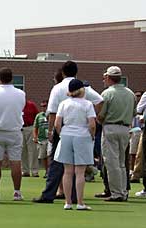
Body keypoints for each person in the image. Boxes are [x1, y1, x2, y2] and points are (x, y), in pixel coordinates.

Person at [32, 61, 103, 204]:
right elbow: (100, 100)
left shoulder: (57, 88)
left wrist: (51, 131)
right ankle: (76, 196)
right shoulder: (83, 88)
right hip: (82, 130)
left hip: (64, 129)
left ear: (63, 73)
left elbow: (52, 112)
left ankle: (50, 194)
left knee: (57, 163)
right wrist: (94, 117)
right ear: (76, 72)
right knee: (79, 166)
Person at [54, 79, 96, 210]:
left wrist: (61, 134)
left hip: (66, 135)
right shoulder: (87, 104)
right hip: (82, 136)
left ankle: (68, 202)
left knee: (67, 171)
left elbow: (57, 123)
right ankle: (80, 202)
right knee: (80, 172)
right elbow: (92, 124)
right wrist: (92, 136)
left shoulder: (63, 103)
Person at [97, 66, 135, 202]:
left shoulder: (106, 94)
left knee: (111, 162)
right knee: (121, 163)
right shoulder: (130, 93)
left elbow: (101, 115)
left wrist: (98, 120)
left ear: (108, 77)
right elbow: (134, 113)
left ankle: (117, 193)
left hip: (110, 127)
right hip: (125, 128)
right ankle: (123, 191)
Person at [0, 67, 26, 201]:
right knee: (16, 162)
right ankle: (17, 192)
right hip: (15, 130)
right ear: (12, 78)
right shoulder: (20, 93)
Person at [22, 100, 40, 177]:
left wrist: (36, 129)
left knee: (33, 150)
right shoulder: (17, 105)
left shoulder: (31, 105)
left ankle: (34, 171)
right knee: (22, 151)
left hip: (30, 128)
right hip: (20, 129)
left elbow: (37, 116)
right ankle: (25, 171)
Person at [33, 100, 50, 178]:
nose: (43, 108)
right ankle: (47, 171)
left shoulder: (52, 114)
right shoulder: (39, 116)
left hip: (50, 139)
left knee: (49, 155)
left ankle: (50, 172)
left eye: (45, 106)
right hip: (42, 139)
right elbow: (35, 127)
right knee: (43, 157)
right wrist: (35, 137)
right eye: (42, 106)